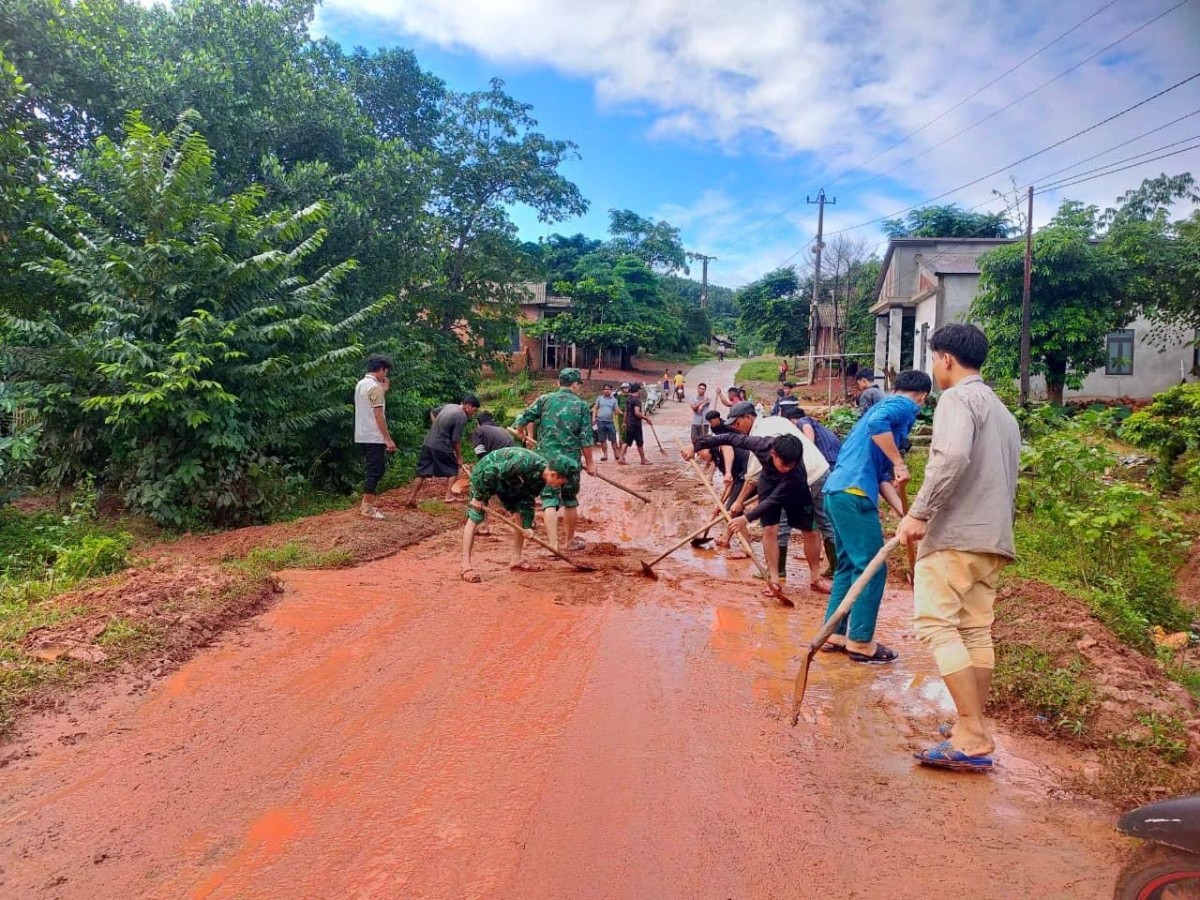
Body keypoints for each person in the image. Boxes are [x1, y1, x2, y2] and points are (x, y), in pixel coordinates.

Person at [895, 324, 1020, 772]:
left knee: (937, 626)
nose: (934, 368)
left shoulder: (956, 399)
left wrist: (919, 513)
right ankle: (972, 727)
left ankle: (971, 732)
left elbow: (951, 458)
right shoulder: (1003, 411)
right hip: (992, 541)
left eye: (933, 359)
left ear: (945, 358)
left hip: (955, 537)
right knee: (974, 631)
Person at [820, 369, 932, 663]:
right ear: (922, 395)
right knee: (873, 568)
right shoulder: (902, 404)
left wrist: (906, 514)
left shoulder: (880, 432)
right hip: (854, 495)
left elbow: (883, 480)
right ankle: (860, 641)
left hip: (836, 493)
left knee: (848, 565)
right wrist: (899, 462)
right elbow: (877, 422)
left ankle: (835, 632)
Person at [686, 428, 812, 599]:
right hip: (768, 482)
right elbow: (729, 438)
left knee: (810, 529)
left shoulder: (796, 473)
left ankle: (816, 578)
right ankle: (774, 580)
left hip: (795, 489)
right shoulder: (762, 445)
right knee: (769, 530)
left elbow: (774, 500)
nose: (787, 468)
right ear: (773, 454)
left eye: (792, 465)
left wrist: (745, 518)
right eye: (783, 464)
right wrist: (695, 448)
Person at [460, 447, 577, 583]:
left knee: (521, 514)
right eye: (560, 483)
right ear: (554, 474)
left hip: (508, 483)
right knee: (475, 515)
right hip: (486, 474)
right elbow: (492, 470)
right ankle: (465, 566)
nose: (558, 487)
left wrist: (528, 526)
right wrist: (479, 496)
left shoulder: (542, 479)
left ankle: (517, 559)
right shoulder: (523, 462)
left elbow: (526, 499)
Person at [514, 368, 597, 551]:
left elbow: (524, 417)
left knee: (549, 499)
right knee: (569, 499)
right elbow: (585, 438)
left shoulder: (544, 400)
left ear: (558, 383)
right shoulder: (581, 406)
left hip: (546, 460)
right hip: (569, 461)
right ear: (575, 384)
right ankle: (569, 542)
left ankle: (553, 545)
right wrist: (590, 464)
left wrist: (520, 430)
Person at [782, 405, 842, 575]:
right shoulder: (821, 426)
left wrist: (804, 451)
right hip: (831, 470)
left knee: (788, 519)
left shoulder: (803, 422)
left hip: (820, 469)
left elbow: (808, 438)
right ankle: (836, 568)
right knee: (825, 519)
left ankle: (779, 570)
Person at [407, 395, 480, 506]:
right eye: (474, 410)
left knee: (421, 472)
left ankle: (411, 498)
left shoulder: (450, 406)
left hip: (428, 442)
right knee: (453, 470)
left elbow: (433, 411)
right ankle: (448, 496)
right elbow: (456, 440)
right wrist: (459, 457)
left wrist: (436, 426)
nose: (473, 414)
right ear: (468, 406)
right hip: (442, 445)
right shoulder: (462, 416)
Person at [354, 355, 396, 520]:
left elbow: (367, 405)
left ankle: (367, 504)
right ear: (382, 369)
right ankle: (367, 508)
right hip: (373, 435)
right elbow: (379, 415)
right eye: (386, 371)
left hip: (362, 434)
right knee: (375, 470)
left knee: (373, 469)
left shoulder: (361, 384)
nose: (386, 375)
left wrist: (383, 391)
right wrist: (387, 438)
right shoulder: (375, 387)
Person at [618, 383, 650, 466]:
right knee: (639, 442)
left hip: (629, 423)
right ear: (638, 391)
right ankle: (643, 459)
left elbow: (626, 412)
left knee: (626, 441)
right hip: (635, 424)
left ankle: (621, 458)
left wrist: (625, 422)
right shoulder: (637, 400)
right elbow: (637, 413)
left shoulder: (629, 400)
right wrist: (646, 418)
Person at [592, 384, 622, 462]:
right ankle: (605, 455)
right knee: (602, 439)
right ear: (603, 390)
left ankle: (616, 453)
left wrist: (622, 413)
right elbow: (595, 408)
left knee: (613, 439)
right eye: (605, 389)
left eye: (609, 389)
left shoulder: (614, 400)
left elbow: (617, 410)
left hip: (610, 422)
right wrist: (593, 418)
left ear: (611, 391)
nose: (607, 390)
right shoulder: (599, 398)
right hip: (600, 421)